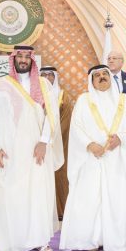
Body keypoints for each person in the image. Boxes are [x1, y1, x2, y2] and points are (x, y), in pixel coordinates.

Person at [0, 45, 63, 251]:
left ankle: (39, 239)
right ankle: (5, 239)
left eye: (26, 56)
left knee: (38, 193)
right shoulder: (1, 85)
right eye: (18, 56)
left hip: (36, 150)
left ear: (32, 60)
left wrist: (44, 141)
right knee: (8, 194)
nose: (22, 60)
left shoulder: (45, 85)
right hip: (8, 151)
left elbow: (52, 116)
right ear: (13, 59)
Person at [59, 64, 126, 251]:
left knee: (115, 199)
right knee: (89, 199)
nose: (102, 77)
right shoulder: (83, 100)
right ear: (91, 81)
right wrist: (90, 144)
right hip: (91, 159)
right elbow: (76, 127)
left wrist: (120, 138)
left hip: (116, 160)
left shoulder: (124, 100)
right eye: (98, 75)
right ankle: (88, 241)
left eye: (105, 74)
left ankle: (114, 241)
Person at [40, 65, 71, 219]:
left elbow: (65, 122)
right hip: (38, 144)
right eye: (43, 74)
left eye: (50, 74)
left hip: (59, 143)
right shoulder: (36, 95)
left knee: (58, 175)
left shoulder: (63, 96)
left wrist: (51, 139)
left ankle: (59, 211)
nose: (47, 77)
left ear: (55, 77)